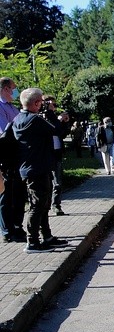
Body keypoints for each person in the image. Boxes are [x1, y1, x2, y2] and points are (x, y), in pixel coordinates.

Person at [12, 88, 69, 253]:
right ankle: (32, 242)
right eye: (42, 103)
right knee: (38, 205)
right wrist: (54, 115)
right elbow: (56, 130)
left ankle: (47, 237)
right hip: (38, 167)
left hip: (28, 167)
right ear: (36, 103)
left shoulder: (18, 119)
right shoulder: (35, 120)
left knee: (42, 204)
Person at [0, 77, 26, 243]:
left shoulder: (13, 108)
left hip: (18, 157)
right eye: (14, 88)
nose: (16, 92)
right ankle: (7, 230)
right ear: (5, 89)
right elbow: (4, 132)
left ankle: (17, 225)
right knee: (6, 195)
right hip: (6, 157)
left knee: (18, 194)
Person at [41, 96, 66, 216]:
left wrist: (64, 122)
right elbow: (52, 128)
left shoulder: (55, 118)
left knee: (58, 182)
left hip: (57, 154)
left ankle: (56, 205)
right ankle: (45, 206)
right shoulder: (43, 117)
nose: (54, 107)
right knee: (46, 183)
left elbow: (61, 132)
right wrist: (51, 113)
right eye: (52, 105)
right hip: (46, 154)